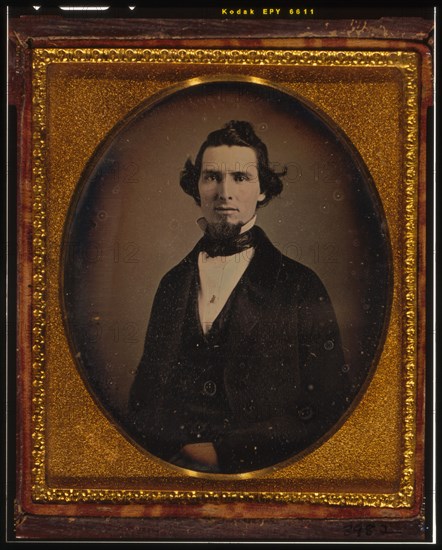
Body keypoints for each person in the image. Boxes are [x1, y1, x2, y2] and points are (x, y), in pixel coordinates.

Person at [128, 120, 351, 474]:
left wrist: (224, 451)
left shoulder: (300, 286)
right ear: (197, 187)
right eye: (212, 177)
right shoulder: (172, 284)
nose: (224, 192)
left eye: (241, 178)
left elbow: (328, 406)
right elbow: (143, 401)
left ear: (263, 189)